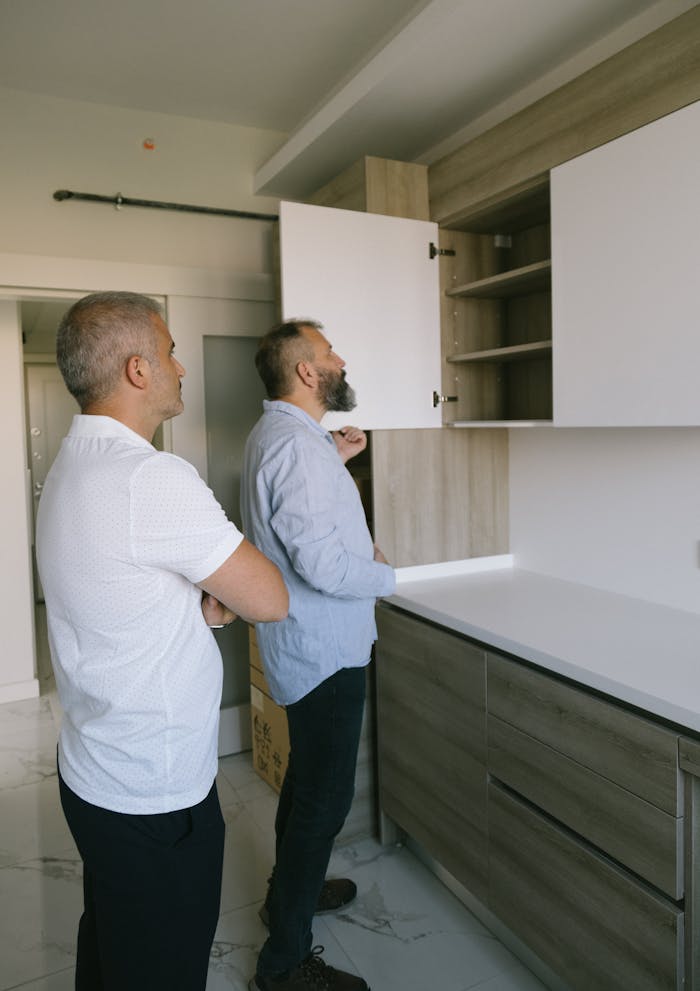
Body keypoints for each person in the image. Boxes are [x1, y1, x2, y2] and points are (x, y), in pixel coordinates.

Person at [36, 291, 288, 991]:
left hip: (94, 768)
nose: (183, 365)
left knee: (114, 942)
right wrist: (228, 595)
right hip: (153, 792)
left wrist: (194, 613)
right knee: (162, 969)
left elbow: (108, 600)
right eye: (172, 350)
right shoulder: (151, 476)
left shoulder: (72, 463)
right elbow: (269, 597)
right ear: (139, 368)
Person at [241, 319, 396, 991]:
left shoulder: (285, 437)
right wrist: (388, 575)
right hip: (326, 650)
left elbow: (296, 515)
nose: (340, 360)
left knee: (306, 783)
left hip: (305, 646)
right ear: (307, 371)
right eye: (329, 352)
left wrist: (335, 459)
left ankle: (286, 896)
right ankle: (284, 963)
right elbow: (322, 562)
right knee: (321, 804)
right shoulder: (297, 449)